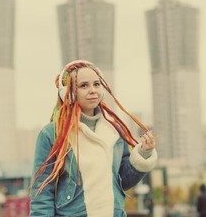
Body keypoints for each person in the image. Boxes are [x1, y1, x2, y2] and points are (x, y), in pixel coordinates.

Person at [29, 60, 158, 216]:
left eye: (96, 84)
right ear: (68, 93)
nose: (92, 90)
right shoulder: (52, 134)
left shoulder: (114, 131)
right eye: (84, 85)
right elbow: (42, 194)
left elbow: (123, 181)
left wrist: (144, 153)